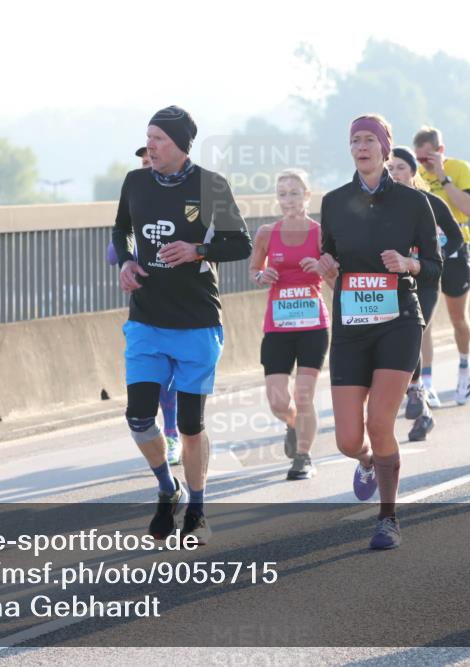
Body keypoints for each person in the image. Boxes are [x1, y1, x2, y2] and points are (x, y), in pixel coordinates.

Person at [113, 106, 252, 545]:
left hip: (196, 322)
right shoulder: (135, 181)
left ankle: (197, 506)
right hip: (147, 320)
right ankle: (165, 487)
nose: (150, 145)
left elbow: (241, 244)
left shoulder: (209, 186)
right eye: (148, 137)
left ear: (180, 145)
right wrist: (127, 262)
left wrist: (198, 251)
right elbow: (121, 230)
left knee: (191, 426)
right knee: (138, 418)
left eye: (159, 139)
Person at [318, 114, 441, 549]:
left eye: (370, 139)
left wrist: (409, 265)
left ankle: (388, 518)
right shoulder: (333, 202)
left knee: (379, 420)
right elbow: (329, 261)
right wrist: (326, 267)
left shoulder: (412, 203)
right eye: (355, 140)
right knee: (349, 439)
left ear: (385, 148)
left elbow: (434, 267)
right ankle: (367, 461)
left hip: (399, 323)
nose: (362, 146)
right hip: (351, 326)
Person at [249, 169, 329, 480]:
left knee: (304, 394)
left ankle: (304, 457)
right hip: (278, 326)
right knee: (278, 400)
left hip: (312, 324)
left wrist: (322, 266)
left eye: (294, 193)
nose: (288, 200)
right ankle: (292, 423)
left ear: (307, 196)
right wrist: (261, 276)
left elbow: (335, 274)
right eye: (282, 194)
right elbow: (255, 269)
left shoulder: (321, 233)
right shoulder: (267, 233)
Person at [107, 147, 181, 466]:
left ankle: (180, 432)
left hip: (184, 306)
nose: (148, 166)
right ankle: (171, 435)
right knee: (158, 378)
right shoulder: (136, 206)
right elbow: (112, 254)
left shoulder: (182, 202)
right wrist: (128, 250)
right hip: (147, 309)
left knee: (179, 379)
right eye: (143, 162)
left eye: (152, 160)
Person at [387, 147, 464, 441]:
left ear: (413, 171)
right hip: (393, 282)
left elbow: (455, 236)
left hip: (427, 281)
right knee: (396, 341)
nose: (394, 173)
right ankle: (424, 414)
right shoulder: (381, 206)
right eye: (390, 168)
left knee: (413, 332)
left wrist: (436, 257)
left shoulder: (430, 202)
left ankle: (416, 388)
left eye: (400, 168)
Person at [413, 127, 470, 406]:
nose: (423, 164)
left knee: (457, 318)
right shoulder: (414, 175)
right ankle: (426, 381)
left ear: (440, 151)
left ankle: (464, 365)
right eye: (419, 159)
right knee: (423, 320)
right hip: (425, 254)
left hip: (455, 249)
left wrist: (443, 178)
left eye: (428, 158)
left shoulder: (460, 168)